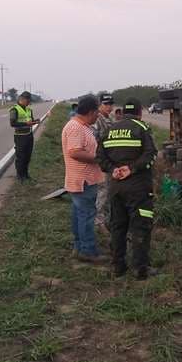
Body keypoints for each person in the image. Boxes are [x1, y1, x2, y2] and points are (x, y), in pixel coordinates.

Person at [97, 97, 157, 279]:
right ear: (139, 113)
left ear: (122, 112)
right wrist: (131, 169)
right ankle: (140, 269)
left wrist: (113, 169)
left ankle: (118, 267)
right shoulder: (142, 128)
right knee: (141, 226)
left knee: (118, 226)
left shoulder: (109, 130)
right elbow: (150, 155)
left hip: (115, 187)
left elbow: (100, 158)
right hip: (138, 188)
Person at [62, 95, 107, 263]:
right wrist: (97, 159)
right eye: (97, 112)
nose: (98, 116)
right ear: (91, 111)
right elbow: (74, 152)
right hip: (82, 181)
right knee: (87, 215)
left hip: (85, 180)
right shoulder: (75, 127)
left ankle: (80, 246)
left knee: (79, 215)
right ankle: (88, 251)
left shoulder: (84, 126)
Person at [93, 93, 114, 228]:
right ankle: (98, 220)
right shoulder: (97, 119)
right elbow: (94, 140)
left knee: (107, 190)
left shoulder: (108, 118)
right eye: (106, 104)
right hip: (101, 160)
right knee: (103, 191)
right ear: (100, 105)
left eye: (110, 104)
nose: (109, 107)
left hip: (109, 159)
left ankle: (105, 217)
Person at [9, 91, 40, 182]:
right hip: (20, 136)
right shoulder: (14, 109)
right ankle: (20, 176)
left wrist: (35, 121)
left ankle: (26, 175)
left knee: (27, 156)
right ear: (22, 99)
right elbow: (13, 123)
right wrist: (26, 123)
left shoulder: (29, 109)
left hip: (29, 135)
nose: (29, 102)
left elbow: (31, 121)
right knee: (21, 157)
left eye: (29, 101)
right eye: (28, 100)